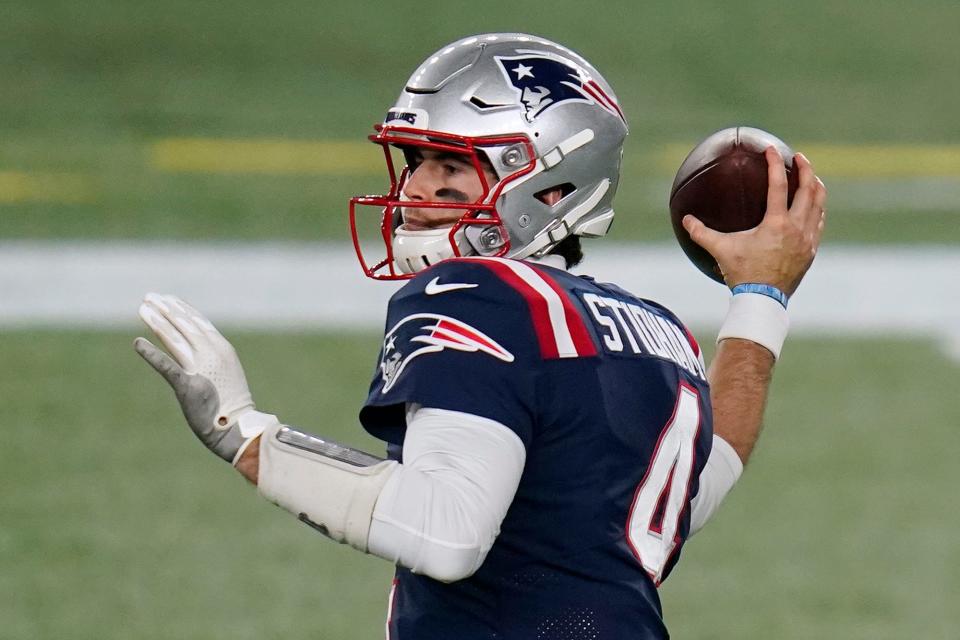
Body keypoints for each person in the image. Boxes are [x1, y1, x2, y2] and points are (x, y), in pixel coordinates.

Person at [135, 33, 825, 639]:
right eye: (414, 160)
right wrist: (759, 301)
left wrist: (247, 437)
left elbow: (446, 535)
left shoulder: (479, 294)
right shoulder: (659, 331)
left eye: (452, 166)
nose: (417, 187)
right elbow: (699, 488)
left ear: (550, 187)